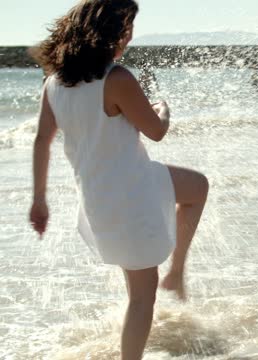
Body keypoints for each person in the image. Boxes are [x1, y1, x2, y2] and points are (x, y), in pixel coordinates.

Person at [28, 1, 209, 359]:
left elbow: (41, 140)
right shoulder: (117, 78)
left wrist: (39, 199)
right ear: (111, 31)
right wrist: (163, 110)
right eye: (127, 26)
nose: (130, 34)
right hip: (131, 195)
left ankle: (178, 271)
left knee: (197, 186)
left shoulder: (53, 83)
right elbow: (156, 132)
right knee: (142, 298)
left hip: (103, 194)